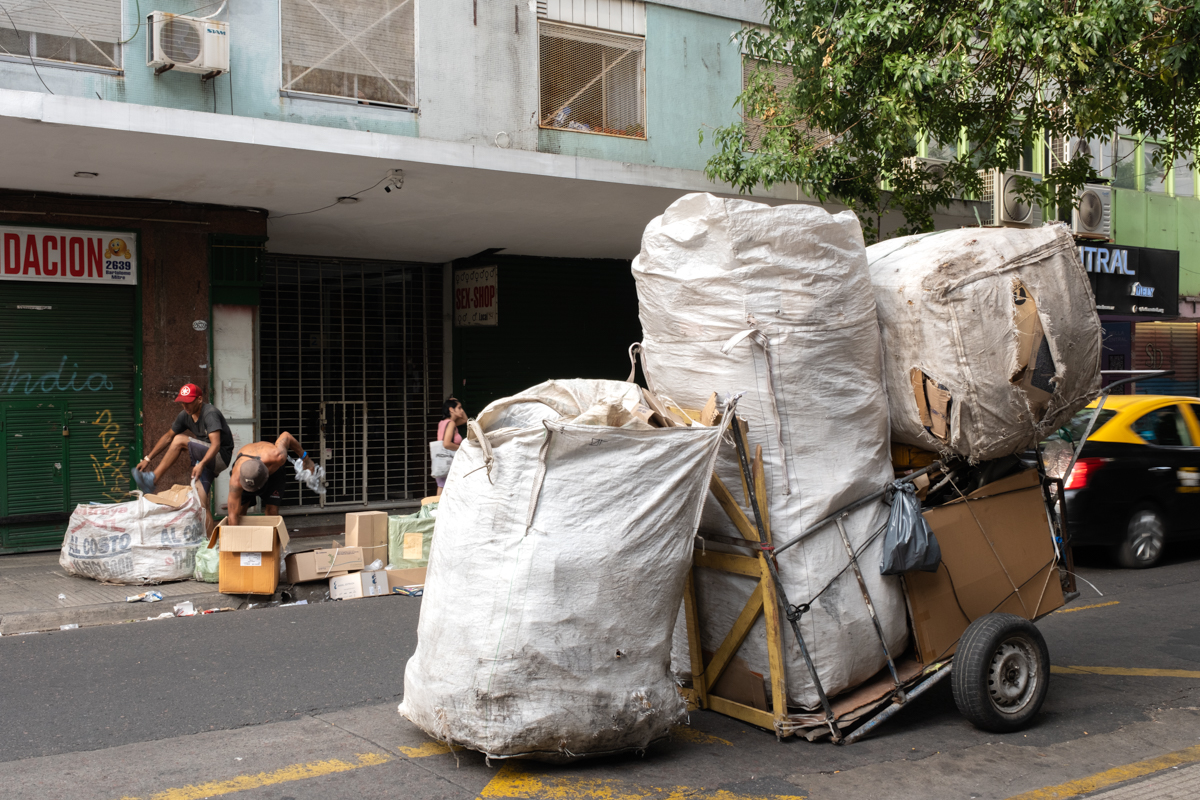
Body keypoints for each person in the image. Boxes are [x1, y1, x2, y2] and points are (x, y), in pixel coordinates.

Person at [133, 383, 233, 531]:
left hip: (219, 457)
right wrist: (147, 459)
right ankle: (210, 546)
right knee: (201, 503)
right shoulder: (185, 415)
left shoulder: (210, 413)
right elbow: (167, 437)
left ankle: (152, 480)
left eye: (189, 402)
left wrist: (201, 464)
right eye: (182, 402)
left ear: (199, 399)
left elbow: (216, 445)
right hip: (205, 460)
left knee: (180, 440)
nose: (185, 406)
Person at [225, 432, 317, 525]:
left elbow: (286, 436)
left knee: (272, 512)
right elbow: (233, 515)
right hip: (247, 470)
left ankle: (272, 537)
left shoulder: (277, 456)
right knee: (239, 510)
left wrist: (306, 459)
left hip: (273, 472)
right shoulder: (236, 479)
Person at [435, 397, 468, 497]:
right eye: (459, 408)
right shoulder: (451, 424)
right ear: (451, 409)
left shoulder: (443, 423)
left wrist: (456, 401)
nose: (461, 411)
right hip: (448, 459)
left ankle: (434, 510)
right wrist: (463, 448)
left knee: (441, 487)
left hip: (441, 459)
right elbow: (446, 444)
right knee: (444, 488)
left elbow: (465, 419)